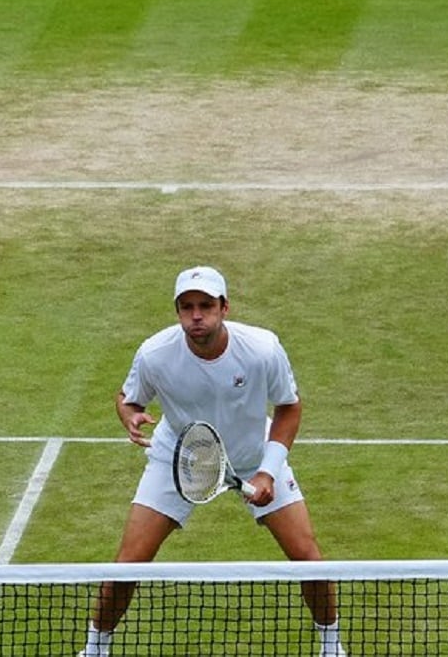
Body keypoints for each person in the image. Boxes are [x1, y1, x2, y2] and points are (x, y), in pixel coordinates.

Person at [78, 266, 346, 657]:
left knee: (309, 560)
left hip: (253, 455)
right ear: (177, 311)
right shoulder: (155, 353)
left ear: (224, 307)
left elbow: (289, 408)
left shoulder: (261, 349)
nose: (196, 315)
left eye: (205, 305)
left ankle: (332, 648)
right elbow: (127, 395)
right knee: (128, 565)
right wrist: (129, 415)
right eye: (187, 307)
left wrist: (268, 470)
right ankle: (94, 651)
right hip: (181, 456)